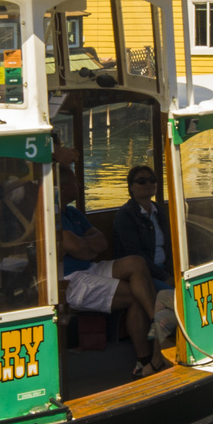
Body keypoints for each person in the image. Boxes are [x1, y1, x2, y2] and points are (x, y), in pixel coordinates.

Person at [56, 158, 168, 376]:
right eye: (74, 182)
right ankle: (145, 357)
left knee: (135, 262)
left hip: (90, 266)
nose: (79, 185)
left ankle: (157, 320)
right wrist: (82, 246)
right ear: (61, 187)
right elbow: (73, 243)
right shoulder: (52, 217)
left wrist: (82, 247)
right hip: (70, 279)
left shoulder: (73, 214)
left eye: (151, 180)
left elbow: (100, 243)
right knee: (136, 294)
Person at [112, 165, 172, 287]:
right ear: (131, 187)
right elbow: (135, 253)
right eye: (142, 181)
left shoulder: (159, 210)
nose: (148, 183)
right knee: (176, 295)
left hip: (164, 270)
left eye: (152, 180)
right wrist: (165, 277)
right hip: (141, 274)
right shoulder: (125, 215)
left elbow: (170, 245)